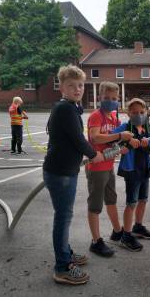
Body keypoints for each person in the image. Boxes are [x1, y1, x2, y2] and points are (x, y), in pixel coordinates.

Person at [43, 64, 104, 285]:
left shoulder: (68, 107)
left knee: (64, 216)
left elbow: (70, 138)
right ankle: (62, 267)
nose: (77, 89)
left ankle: (65, 254)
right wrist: (93, 154)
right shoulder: (66, 109)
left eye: (80, 85)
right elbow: (78, 140)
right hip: (60, 173)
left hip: (63, 170)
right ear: (62, 88)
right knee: (63, 218)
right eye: (72, 86)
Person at [86, 81, 134, 257]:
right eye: (107, 98)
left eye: (114, 98)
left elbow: (111, 143)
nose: (111, 101)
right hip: (96, 167)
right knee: (95, 205)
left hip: (108, 167)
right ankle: (96, 241)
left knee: (111, 200)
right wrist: (120, 135)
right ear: (99, 98)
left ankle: (117, 231)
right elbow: (96, 138)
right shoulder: (96, 116)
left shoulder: (115, 119)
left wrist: (121, 147)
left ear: (118, 99)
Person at [112, 98, 150, 251]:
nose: (138, 115)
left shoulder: (147, 128)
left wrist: (146, 144)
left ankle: (138, 226)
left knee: (143, 199)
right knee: (132, 203)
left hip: (145, 169)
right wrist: (127, 143)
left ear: (146, 113)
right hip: (132, 171)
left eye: (142, 112)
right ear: (128, 113)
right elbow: (112, 144)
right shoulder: (124, 128)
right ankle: (126, 235)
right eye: (135, 112)